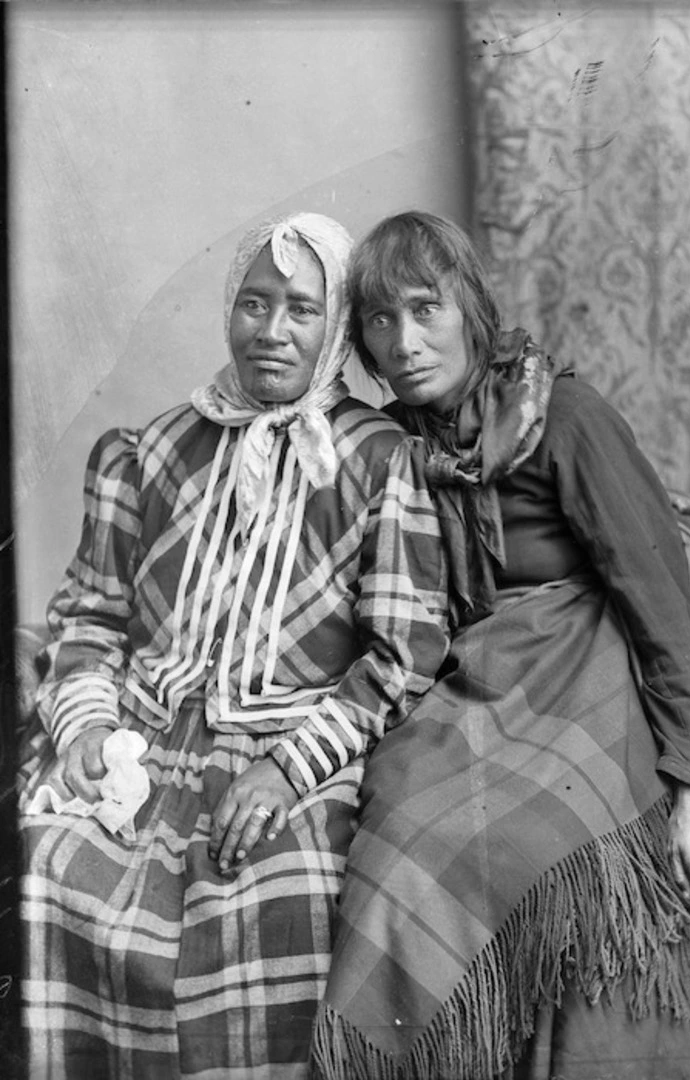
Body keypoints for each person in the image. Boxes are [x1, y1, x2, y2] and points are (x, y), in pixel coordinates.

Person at [312, 211, 690, 1080]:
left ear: (471, 310)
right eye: (378, 320)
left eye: (424, 309)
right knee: (398, 831)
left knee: (523, 849)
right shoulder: (392, 449)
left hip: (595, 670)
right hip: (476, 680)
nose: (404, 342)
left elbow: (662, 602)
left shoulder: (565, 416)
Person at [17, 211, 450, 1079]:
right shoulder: (151, 451)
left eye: (300, 309)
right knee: (43, 860)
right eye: (254, 304)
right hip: (144, 735)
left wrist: (288, 767)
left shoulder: (379, 459)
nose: (272, 330)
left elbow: (400, 657)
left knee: (279, 895)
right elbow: (89, 619)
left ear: (334, 331)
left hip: (289, 753)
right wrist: (88, 733)